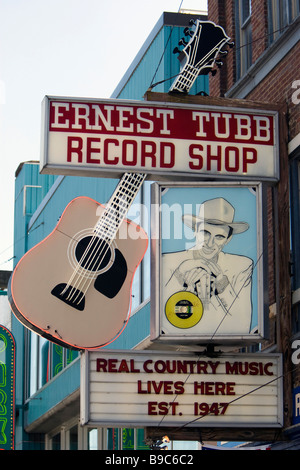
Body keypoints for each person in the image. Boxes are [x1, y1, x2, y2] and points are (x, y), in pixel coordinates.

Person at [162, 197, 253, 335]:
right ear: (195, 231)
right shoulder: (168, 262)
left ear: (228, 240)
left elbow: (243, 327)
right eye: (205, 233)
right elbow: (162, 320)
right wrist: (179, 278)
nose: (210, 243)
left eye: (219, 237)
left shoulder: (242, 266)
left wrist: (223, 287)